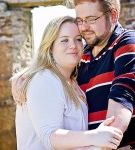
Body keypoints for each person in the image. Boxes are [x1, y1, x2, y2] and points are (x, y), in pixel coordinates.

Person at [11, 16, 123, 150]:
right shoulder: (45, 79)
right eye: (64, 40)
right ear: (50, 47)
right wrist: (96, 136)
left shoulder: (75, 80)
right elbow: (50, 137)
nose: (73, 45)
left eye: (78, 39)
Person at [65, 0, 135, 149]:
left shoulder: (127, 43)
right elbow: (52, 72)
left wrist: (105, 142)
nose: (84, 28)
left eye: (91, 19)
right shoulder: (81, 55)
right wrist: (25, 76)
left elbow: (122, 98)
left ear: (113, 16)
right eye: (79, 20)